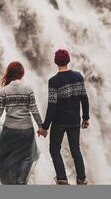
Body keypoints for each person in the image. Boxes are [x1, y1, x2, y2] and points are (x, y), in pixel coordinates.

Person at [0, 61, 43, 185]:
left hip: (10, 131)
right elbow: (34, 110)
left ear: (9, 73)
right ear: (22, 74)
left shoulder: (5, 91)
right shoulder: (28, 89)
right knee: (26, 159)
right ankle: (21, 183)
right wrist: (41, 127)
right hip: (27, 131)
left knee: (5, 160)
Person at [38, 49, 90, 185]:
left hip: (59, 122)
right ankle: (82, 178)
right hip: (74, 120)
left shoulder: (54, 81)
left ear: (56, 62)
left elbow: (52, 106)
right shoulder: (78, 76)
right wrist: (85, 118)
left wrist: (45, 127)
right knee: (75, 149)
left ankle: (62, 179)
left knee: (54, 149)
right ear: (68, 60)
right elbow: (84, 99)